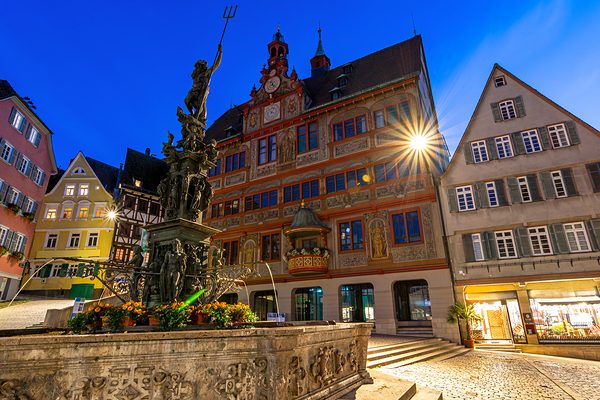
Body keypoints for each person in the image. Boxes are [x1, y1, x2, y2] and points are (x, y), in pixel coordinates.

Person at [183, 44, 223, 120]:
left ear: (201, 67)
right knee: (187, 100)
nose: (196, 68)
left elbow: (216, 65)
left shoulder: (206, 73)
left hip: (202, 89)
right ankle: (193, 114)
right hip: (195, 91)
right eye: (196, 66)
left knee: (200, 103)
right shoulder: (195, 76)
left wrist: (220, 52)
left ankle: (197, 116)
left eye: (198, 66)